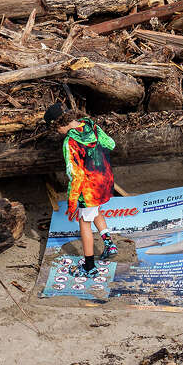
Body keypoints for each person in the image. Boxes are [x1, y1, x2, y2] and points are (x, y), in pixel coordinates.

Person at [45, 104, 118, 279]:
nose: (59, 133)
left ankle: (90, 266)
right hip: (105, 180)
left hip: (88, 187)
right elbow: (111, 144)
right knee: (96, 210)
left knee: (84, 221)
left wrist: (72, 201)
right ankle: (109, 244)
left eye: (57, 130)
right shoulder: (91, 125)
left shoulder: (70, 142)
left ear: (59, 125)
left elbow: (74, 174)